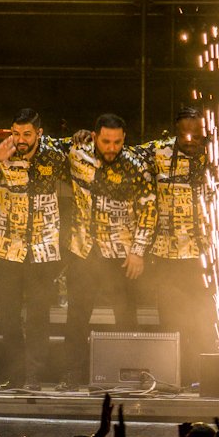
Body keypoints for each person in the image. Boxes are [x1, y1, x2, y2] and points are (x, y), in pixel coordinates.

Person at [0, 109, 71, 388]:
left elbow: (80, 159)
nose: (20, 140)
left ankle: (34, 376)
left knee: (38, 316)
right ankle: (15, 372)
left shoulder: (55, 155)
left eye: (26, 134)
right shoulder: (1, 156)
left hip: (43, 249)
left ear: (39, 133)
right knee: (9, 315)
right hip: (6, 248)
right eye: (16, 133)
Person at [62, 113, 155, 387]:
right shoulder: (76, 153)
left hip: (121, 251)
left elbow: (149, 209)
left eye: (117, 142)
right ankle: (72, 374)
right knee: (77, 315)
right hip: (84, 248)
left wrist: (138, 250)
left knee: (125, 314)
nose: (111, 148)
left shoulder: (136, 166)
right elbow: (46, 147)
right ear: (94, 137)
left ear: (124, 138)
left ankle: (128, 372)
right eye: (106, 141)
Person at [135, 108, 213, 374]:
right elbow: (122, 153)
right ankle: (171, 374)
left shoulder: (217, 155)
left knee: (203, 318)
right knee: (169, 318)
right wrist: (85, 137)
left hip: (204, 255)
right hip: (166, 253)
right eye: (184, 134)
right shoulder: (158, 151)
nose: (190, 139)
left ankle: (199, 374)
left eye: (196, 134)